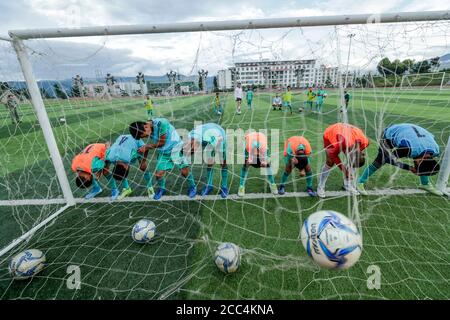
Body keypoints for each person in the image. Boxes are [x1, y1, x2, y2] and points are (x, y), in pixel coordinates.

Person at [357, 124, 442, 196]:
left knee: (423, 163)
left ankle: (425, 184)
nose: (415, 162)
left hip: (410, 132)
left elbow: (425, 165)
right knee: (380, 160)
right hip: (390, 134)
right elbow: (388, 159)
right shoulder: (407, 148)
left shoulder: (436, 150)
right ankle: (360, 182)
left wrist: (418, 168)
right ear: (422, 159)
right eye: (417, 164)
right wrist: (409, 168)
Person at [139, 118, 197, 200]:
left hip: (176, 149)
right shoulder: (149, 127)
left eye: (144, 135)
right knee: (158, 174)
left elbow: (162, 142)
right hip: (164, 153)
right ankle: (161, 188)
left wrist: (147, 147)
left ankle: (192, 187)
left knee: (184, 172)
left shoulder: (161, 123)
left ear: (146, 127)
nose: (146, 136)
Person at [317, 123, 369, 198]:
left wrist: (349, 169)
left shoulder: (365, 142)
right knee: (330, 162)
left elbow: (355, 157)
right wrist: (345, 171)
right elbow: (332, 154)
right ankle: (321, 186)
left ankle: (347, 185)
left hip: (346, 136)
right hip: (331, 133)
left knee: (355, 161)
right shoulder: (343, 142)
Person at [106, 122, 152, 200]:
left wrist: (143, 161)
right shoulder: (109, 157)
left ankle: (150, 187)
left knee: (143, 167)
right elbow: (108, 149)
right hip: (122, 137)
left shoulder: (130, 157)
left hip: (135, 140)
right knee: (120, 173)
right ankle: (127, 188)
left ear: (125, 166)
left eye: (127, 168)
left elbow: (145, 148)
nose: (128, 167)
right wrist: (106, 167)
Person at [187, 123, 228, 198]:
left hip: (219, 135)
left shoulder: (219, 140)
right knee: (209, 162)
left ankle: (224, 187)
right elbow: (192, 148)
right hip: (208, 134)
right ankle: (209, 185)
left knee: (223, 163)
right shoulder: (192, 135)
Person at [238, 132, 278, 197]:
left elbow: (267, 159)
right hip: (250, 137)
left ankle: (272, 183)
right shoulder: (248, 148)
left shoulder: (265, 148)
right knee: (245, 165)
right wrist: (249, 161)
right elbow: (248, 159)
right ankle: (241, 186)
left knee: (268, 165)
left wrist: (265, 162)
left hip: (261, 137)